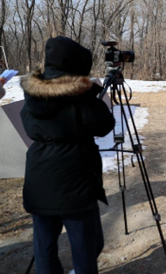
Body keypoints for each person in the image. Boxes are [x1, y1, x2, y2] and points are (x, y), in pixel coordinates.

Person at [20, 36, 115, 274]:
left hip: (39, 179)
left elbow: (29, 124)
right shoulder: (79, 96)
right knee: (86, 248)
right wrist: (89, 93)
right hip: (76, 184)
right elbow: (103, 124)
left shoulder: (33, 94)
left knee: (44, 248)